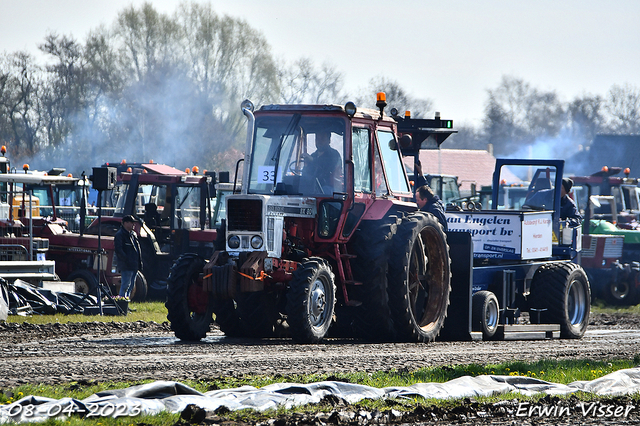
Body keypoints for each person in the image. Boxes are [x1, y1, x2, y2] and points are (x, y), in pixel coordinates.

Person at [114, 215, 143, 298]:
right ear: (125, 223)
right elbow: (118, 249)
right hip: (126, 265)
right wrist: (126, 260)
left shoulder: (133, 234)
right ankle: (121, 303)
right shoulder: (120, 235)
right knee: (125, 285)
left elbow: (138, 249)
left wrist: (139, 262)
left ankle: (126, 303)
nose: (133, 224)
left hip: (134, 265)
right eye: (131, 222)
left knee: (131, 286)